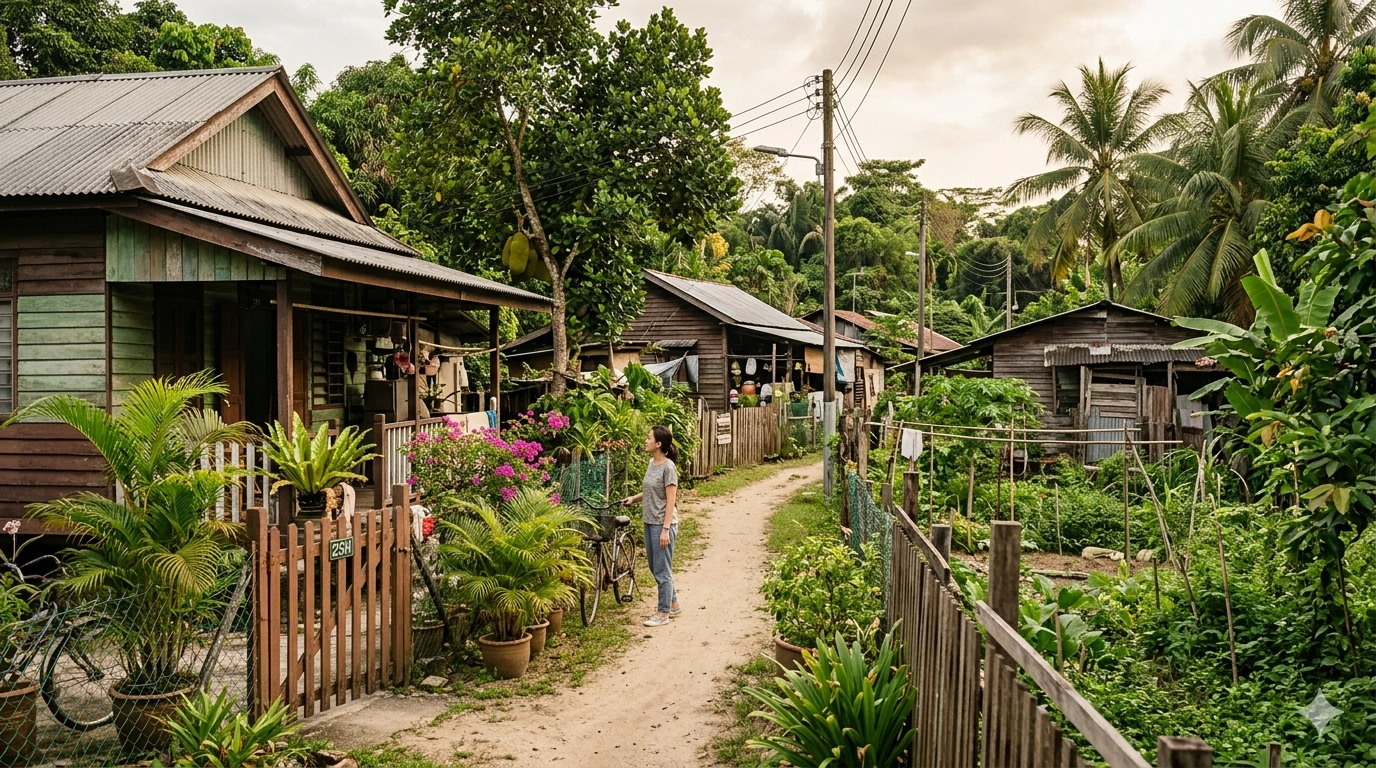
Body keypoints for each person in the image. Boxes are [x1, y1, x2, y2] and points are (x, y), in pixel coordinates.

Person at [621, 425, 681, 627]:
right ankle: (673, 603)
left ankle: (663, 613)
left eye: (649, 438)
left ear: (658, 444)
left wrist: (665, 530)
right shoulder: (651, 463)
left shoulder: (668, 467)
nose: (645, 441)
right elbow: (650, 491)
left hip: (663, 524)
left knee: (662, 569)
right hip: (649, 521)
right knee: (655, 567)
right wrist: (633, 499)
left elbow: (671, 500)